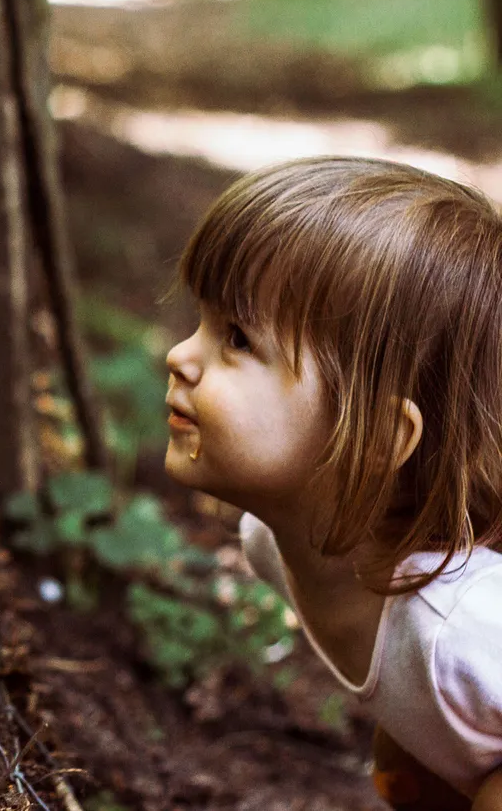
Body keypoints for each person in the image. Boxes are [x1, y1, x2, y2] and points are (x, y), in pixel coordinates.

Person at [164, 156, 502, 811]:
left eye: (238, 339)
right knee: (403, 770)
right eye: (201, 321)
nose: (180, 355)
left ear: (375, 439)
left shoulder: (460, 630)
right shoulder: (269, 543)